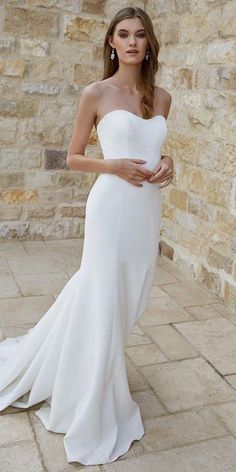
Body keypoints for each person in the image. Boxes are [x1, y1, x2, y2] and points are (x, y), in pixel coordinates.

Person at [0, 6, 173, 466]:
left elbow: (156, 147)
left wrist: (170, 165)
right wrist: (112, 165)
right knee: (102, 294)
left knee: (130, 297)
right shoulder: (96, 92)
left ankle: (84, 365)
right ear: (111, 43)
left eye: (140, 35)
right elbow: (73, 157)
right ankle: (94, 394)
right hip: (111, 209)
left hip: (145, 211)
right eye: (123, 34)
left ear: (149, 43)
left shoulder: (162, 98)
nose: (133, 42)